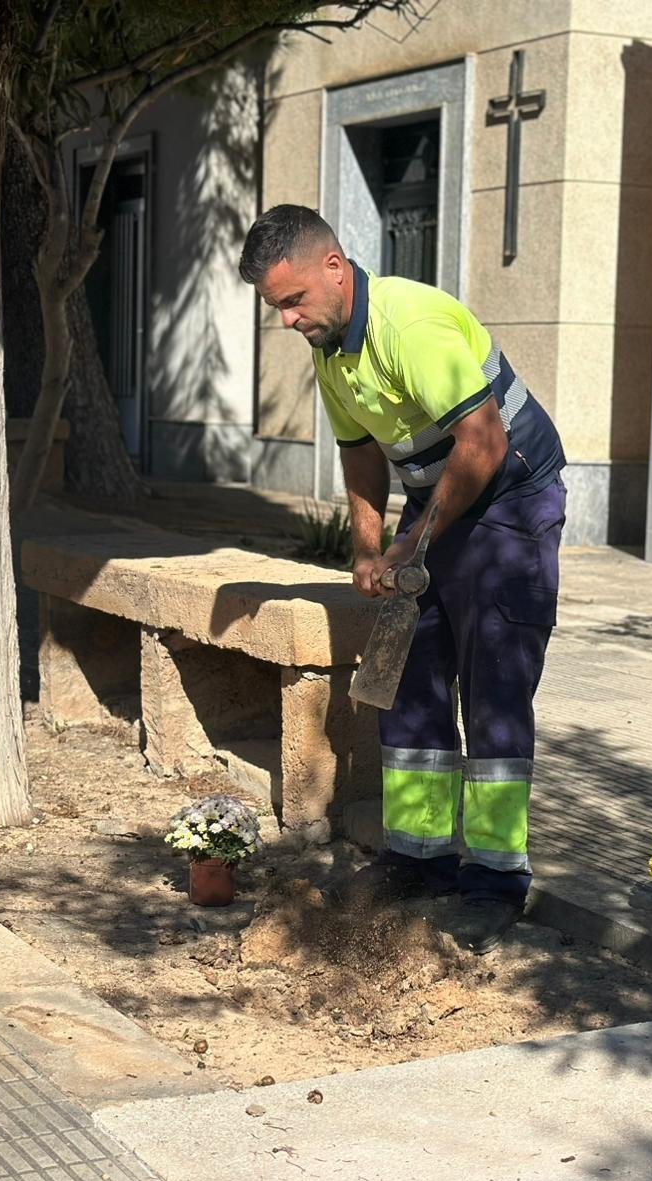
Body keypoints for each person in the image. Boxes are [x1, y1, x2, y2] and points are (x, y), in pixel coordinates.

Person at [238, 205, 566, 954]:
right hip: (441, 497)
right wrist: (365, 549)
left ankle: (493, 881)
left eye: (293, 302)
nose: (287, 320)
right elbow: (359, 450)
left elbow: (483, 440)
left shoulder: (406, 325)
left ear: (334, 266)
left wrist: (411, 543)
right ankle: (418, 861)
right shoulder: (330, 345)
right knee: (410, 679)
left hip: (510, 500)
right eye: (275, 308)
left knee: (494, 687)